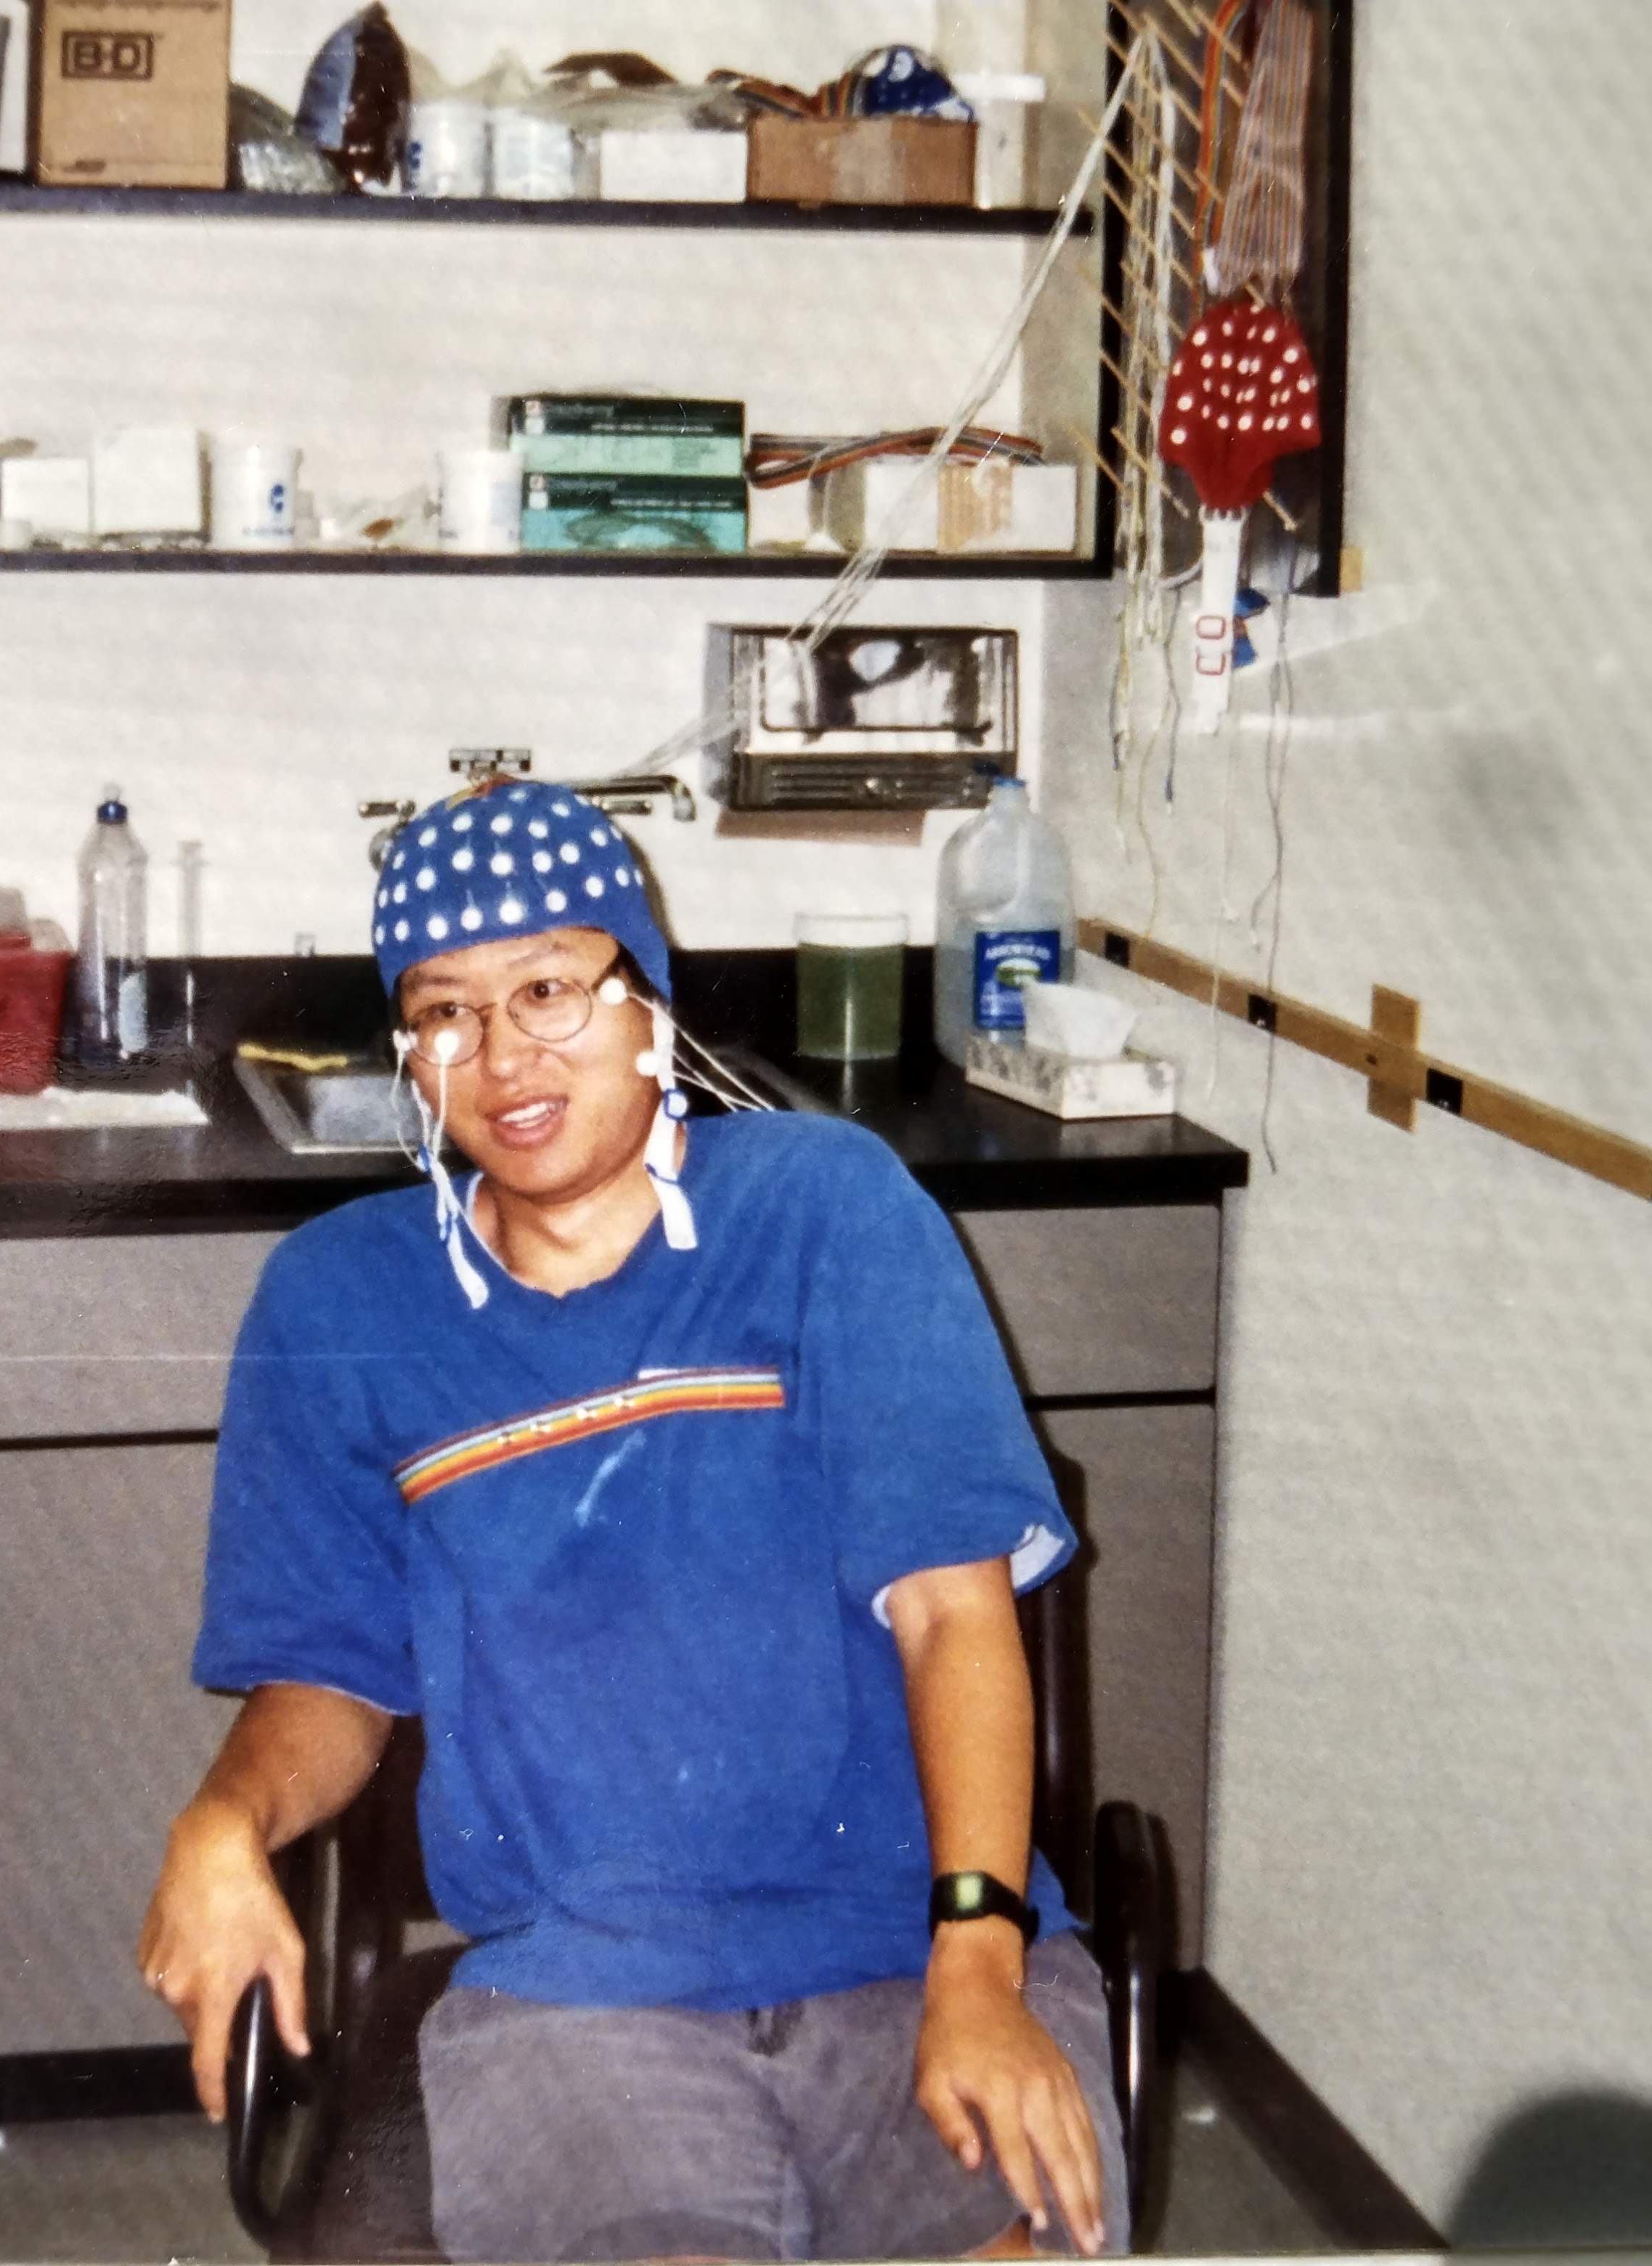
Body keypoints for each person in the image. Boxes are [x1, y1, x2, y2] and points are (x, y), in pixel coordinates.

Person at [138, 779, 1128, 2262]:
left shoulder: (829, 1210)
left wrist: (980, 1966)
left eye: (549, 990)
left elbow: (950, 1613)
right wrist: (226, 1819)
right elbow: (330, 1677)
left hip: (916, 1940)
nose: (503, 1057)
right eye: (446, 1012)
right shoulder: (339, 1303)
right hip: (582, 2000)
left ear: (647, 1005)